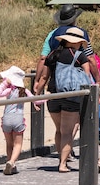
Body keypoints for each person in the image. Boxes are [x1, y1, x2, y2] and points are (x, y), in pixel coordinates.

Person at [34, 28, 92, 172]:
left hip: (53, 96)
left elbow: (43, 78)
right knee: (67, 132)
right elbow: (87, 77)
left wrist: (37, 97)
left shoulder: (53, 54)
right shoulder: (80, 56)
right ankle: (62, 164)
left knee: (59, 130)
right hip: (71, 97)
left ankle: (61, 158)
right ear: (77, 42)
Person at [0, 65, 41, 175]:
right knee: (18, 144)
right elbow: (35, 99)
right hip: (18, 119)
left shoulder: (9, 90)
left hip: (6, 118)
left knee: (9, 144)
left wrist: (5, 83)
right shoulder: (24, 91)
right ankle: (11, 162)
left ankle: (10, 164)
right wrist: (38, 103)